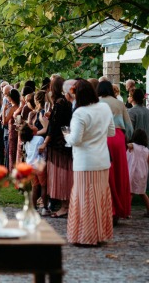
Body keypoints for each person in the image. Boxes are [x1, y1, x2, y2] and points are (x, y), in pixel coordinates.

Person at [65, 79, 115, 246]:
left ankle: (86, 236)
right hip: (102, 160)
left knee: (84, 198)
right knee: (100, 198)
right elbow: (111, 132)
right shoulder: (104, 108)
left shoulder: (80, 113)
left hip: (85, 162)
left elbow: (76, 139)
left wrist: (66, 136)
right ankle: (100, 233)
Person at [98, 81, 133, 223]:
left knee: (105, 175)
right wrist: (126, 139)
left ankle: (106, 209)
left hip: (102, 138)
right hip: (118, 138)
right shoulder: (119, 103)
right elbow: (129, 127)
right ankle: (118, 211)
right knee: (119, 174)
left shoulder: (96, 102)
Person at [38, 76, 73, 218]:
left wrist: (45, 142)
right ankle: (67, 204)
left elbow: (54, 127)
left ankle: (65, 206)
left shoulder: (59, 103)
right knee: (66, 174)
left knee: (61, 175)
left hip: (59, 145)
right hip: (65, 141)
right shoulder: (65, 102)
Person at [128, 89, 149, 202]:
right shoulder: (146, 111)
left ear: (132, 98)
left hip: (137, 143)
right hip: (148, 141)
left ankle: (135, 189)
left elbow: (130, 129)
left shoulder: (131, 112)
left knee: (136, 167)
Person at [127, 129, 149, 218]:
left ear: (134, 137)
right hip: (143, 174)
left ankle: (127, 212)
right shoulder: (146, 150)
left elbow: (126, 145)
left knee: (131, 192)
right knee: (142, 192)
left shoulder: (133, 146)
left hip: (133, 173)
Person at [20, 124, 46, 213]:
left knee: (34, 186)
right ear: (31, 132)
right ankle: (44, 207)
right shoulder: (40, 139)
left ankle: (33, 206)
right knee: (43, 186)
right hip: (39, 164)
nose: (34, 125)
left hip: (30, 165)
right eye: (31, 126)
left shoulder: (27, 141)